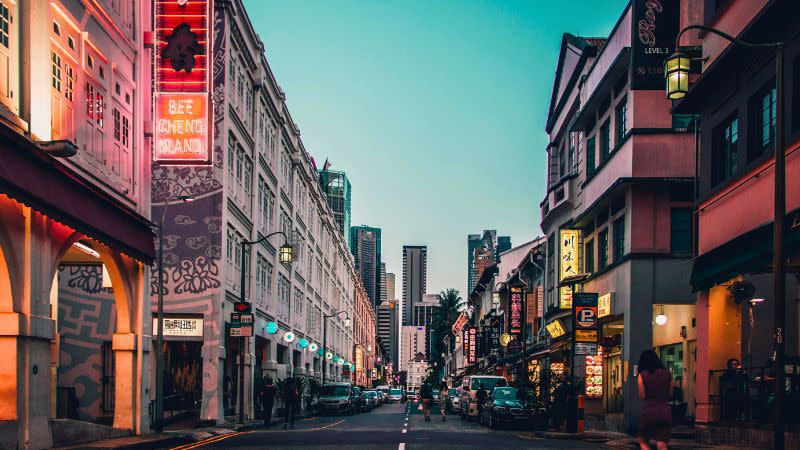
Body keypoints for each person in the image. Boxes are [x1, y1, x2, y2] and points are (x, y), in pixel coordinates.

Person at [637, 349, 672, 450]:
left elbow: (642, 396)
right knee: (662, 443)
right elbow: (670, 394)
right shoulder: (667, 374)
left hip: (649, 411)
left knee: (643, 440)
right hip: (665, 411)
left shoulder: (642, 375)